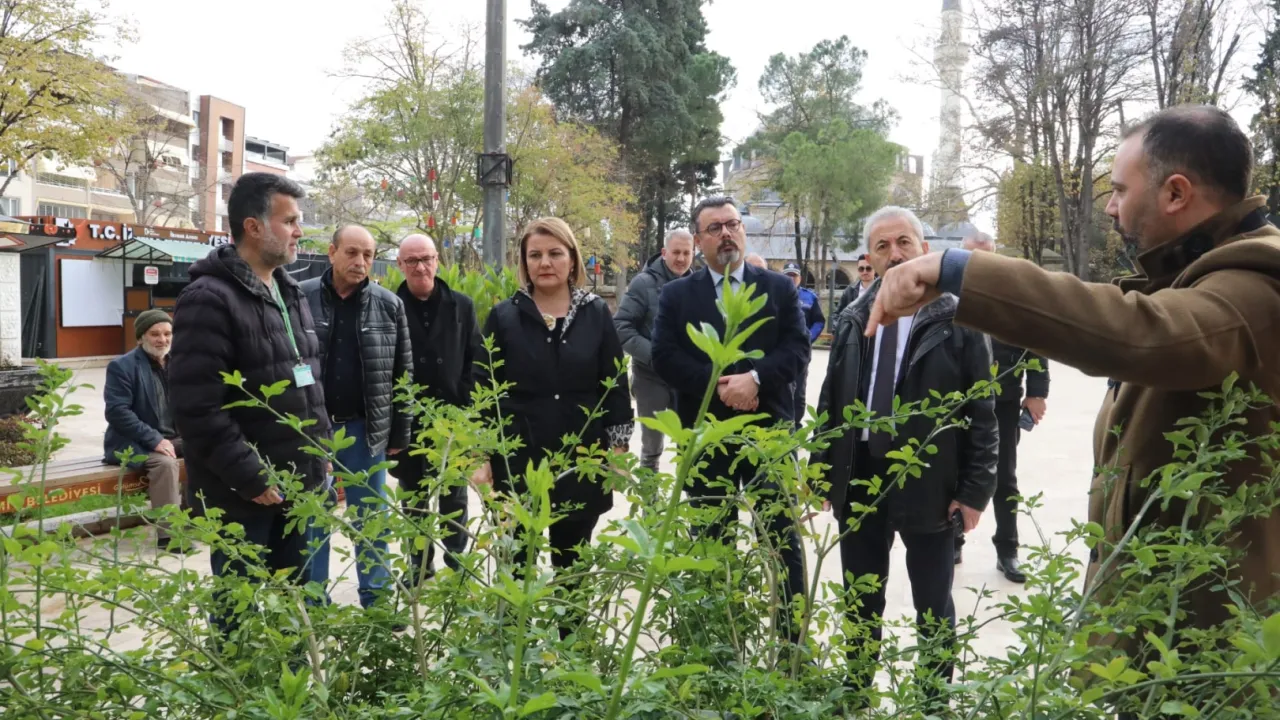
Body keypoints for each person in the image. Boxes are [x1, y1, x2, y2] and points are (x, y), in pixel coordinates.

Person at [866, 105, 1280, 676]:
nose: (1110, 207)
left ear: (1176, 193)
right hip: (1166, 613)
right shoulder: (1203, 276)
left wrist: (958, 271)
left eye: (1119, 190)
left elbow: (1140, 333)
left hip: (1211, 643)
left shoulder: (1255, 287)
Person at [814, 205, 997, 706]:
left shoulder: (958, 318)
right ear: (869, 257)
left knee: (933, 603)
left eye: (903, 242)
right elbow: (832, 399)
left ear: (924, 249)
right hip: (861, 477)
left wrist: (974, 492)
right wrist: (822, 469)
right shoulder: (854, 316)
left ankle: (932, 701)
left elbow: (983, 413)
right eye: (882, 246)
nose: (894, 254)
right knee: (860, 598)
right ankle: (856, 693)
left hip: (929, 481)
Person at [170, 172, 330, 629]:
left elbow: (307, 381)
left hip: (298, 486)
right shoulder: (208, 299)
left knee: (294, 610)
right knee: (239, 615)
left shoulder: (288, 290)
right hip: (245, 495)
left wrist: (322, 451)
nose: (299, 231)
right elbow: (196, 407)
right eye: (290, 221)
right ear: (254, 226)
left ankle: (293, 675)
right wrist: (251, 476)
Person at [651, 196, 811, 642]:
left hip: (767, 432)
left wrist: (755, 379)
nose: (726, 233)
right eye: (715, 227)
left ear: (742, 231)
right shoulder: (677, 295)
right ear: (698, 239)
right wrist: (721, 384)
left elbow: (797, 348)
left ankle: (792, 646)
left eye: (733, 224)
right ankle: (718, 644)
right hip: (705, 435)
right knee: (710, 539)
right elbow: (664, 356)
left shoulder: (778, 288)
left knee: (780, 538)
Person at [473, 217, 633, 584]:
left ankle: (571, 623)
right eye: (535, 255)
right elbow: (483, 388)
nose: (545, 262)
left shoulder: (595, 313)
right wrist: (480, 456)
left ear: (572, 259)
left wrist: (618, 451)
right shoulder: (504, 316)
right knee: (516, 570)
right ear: (524, 262)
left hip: (581, 459)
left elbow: (614, 385)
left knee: (572, 571)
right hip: (517, 461)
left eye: (555, 253)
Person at [300, 224, 412, 609]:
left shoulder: (388, 304)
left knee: (371, 521)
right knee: (313, 520)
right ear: (332, 252)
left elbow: (403, 373)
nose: (360, 261)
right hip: (313, 431)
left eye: (368, 254)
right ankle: (314, 605)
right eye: (351, 252)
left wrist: (399, 432)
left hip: (366, 431)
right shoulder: (300, 297)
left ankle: (377, 603)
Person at [952, 231, 1049, 580]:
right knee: (954, 473)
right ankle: (953, 541)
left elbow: (1036, 345)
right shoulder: (947, 297)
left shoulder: (1014, 298)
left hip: (1002, 404)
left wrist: (1037, 392)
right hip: (957, 405)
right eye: (971, 256)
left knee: (1004, 478)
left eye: (986, 256)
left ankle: (1008, 550)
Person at [388, 233, 484, 582]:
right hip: (408, 420)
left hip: (452, 418)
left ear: (437, 261)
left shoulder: (462, 305)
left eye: (426, 258)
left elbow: (476, 358)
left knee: (453, 496)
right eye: (412, 261)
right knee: (413, 496)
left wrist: (467, 405)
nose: (420, 267)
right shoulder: (388, 306)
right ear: (400, 264)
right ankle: (419, 564)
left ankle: (457, 561)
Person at [104, 309, 186, 553]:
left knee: (211, 448)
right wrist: (155, 439)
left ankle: (201, 521)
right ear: (141, 337)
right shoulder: (122, 366)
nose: (162, 339)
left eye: (167, 334)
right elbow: (117, 412)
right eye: (155, 334)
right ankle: (170, 536)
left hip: (175, 438)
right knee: (165, 464)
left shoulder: (179, 363)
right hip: (134, 442)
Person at [612, 229, 694, 471]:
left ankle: (687, 494)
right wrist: (657, 356)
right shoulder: (643, 283)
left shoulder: (699, 286)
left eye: (686, 253)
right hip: (651, 378)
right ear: (664, 252)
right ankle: (649, 496)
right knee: (652, 448)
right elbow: (621, 327)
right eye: (676, 252)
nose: (681, 258)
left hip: (686, 380)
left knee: (689, 447)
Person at [782, 261, 825, 427]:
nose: (791, 279)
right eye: (788, 275)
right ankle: (782, 423)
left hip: (801, 352)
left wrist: (807, 338)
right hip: (781, 349)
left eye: (794, 275)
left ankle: (796, 424)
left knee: (799, 391)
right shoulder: (776, 294)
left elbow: (819, 321)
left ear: (800, 278)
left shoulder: (809, 297)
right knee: (781, 388)